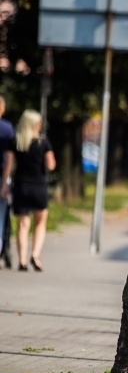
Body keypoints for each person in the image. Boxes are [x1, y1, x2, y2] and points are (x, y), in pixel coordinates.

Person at [1, 109, 56, 272]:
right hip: (39, 185)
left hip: (21, 186)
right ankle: (36, 255)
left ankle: (23, 260)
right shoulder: (43, 142)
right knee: (40, 222)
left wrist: (4, 184)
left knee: (22, 225)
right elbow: (51, 165)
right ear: (34, 124)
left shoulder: (15, 142)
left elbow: (8, 167)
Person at [0, 95, 14, 269]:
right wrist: (5, 181)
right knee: (1, 216)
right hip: (2, 175)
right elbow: (10, 157)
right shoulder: (8, 128)